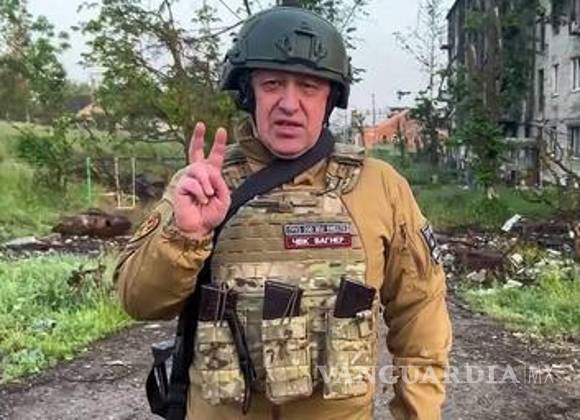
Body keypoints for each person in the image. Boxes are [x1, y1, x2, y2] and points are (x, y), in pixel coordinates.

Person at [114, 5, 452, 420]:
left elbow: (421, 316)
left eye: (309, 86)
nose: (290, 104)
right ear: (249, 92)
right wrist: (186, 236)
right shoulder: (203, 184)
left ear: (330, 98)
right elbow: (139, 302)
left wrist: (419, 414)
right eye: (272, 84)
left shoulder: (379, 187)